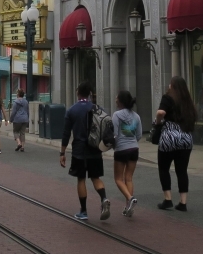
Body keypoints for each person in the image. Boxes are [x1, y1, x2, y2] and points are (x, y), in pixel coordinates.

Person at [60, 82, 110, 221]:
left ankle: (83, 211)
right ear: (89, 94)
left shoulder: (72, 110)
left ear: (78, 93)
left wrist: (62, 153)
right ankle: (104, 198)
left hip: (79, 150)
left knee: (81, 179)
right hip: (95, 149)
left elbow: (65, 133)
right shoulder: (97, 108)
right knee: (96, 177)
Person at [155, 75, 195, 212]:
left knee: (164, 168)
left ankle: (168, 199)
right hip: (186, 137)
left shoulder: (168, 97)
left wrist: (158, 122)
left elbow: (161, 112)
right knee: (182, 170)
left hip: (170, 136)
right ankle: (183, 203)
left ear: (173, 86)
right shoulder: (187, 100)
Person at [112, 90, 142, 217]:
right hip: (134, 149)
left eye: (116, 97)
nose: (115, 99)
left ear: (120, 101)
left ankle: (130, 199)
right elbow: (139, 135)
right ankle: (129, 207)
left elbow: (114, 134)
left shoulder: (116, 115)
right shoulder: (136, 116)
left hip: (121, 149)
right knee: (128, 178)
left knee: (118, 179)